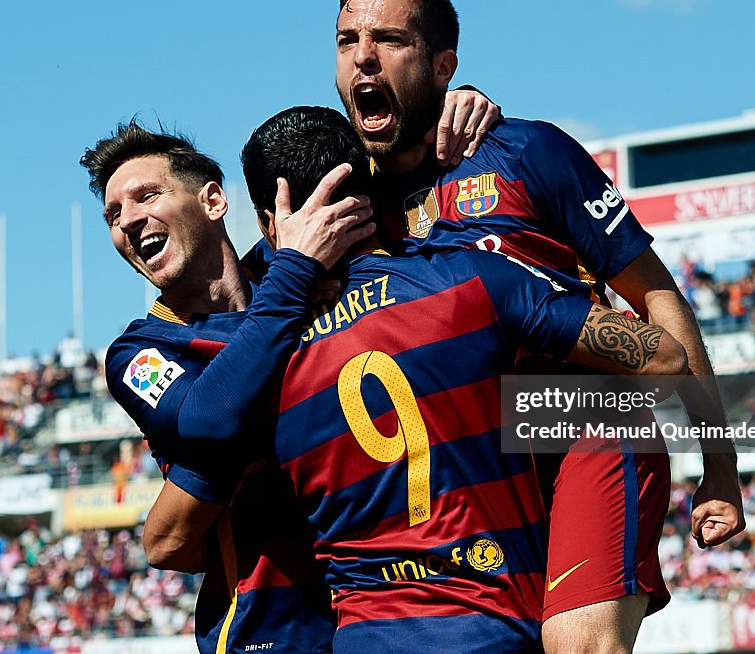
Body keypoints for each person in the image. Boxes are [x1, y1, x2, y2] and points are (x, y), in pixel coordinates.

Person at [333, 0, 745, 653]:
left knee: (577, 646)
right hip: (466, 470)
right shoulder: (346, 205)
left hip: (584, 424)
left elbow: (657, 295)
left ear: (443, 65)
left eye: (388, 39)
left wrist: (721, 468)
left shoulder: (527, 151)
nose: (363, 56)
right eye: (347, 40)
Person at [236, 105, 688, 651]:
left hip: (363, 638)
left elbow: (171, 531)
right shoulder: (469, 282)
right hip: (489, 627)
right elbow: (664, 357)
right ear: (375, 192)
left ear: (268, 223)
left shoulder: (260, 360)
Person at [83, 94, 500, 654]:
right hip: (271, 631)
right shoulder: (142, 349)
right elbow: (212, 419)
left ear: (213, 200)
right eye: (113, 215)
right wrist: (297, 272)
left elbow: (360, 173)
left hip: (386, 613)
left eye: (147, 195)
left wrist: (445, 110)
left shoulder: (298, 267)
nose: (129, 219)